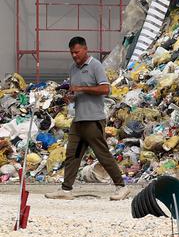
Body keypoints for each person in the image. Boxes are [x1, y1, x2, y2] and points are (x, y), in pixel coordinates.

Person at [46, 37, 130, 200]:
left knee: (102, 153)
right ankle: (66, 189)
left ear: (85, 49)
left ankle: (121, 187)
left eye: (77, 52)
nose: (74, 55)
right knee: (73, 154)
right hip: (78, 120)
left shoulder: (95, 66)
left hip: (93, 120)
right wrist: (70, 97)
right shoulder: (73, 69)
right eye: (72, 53)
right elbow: (77, 93)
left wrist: (81, 88)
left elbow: (105, 89)